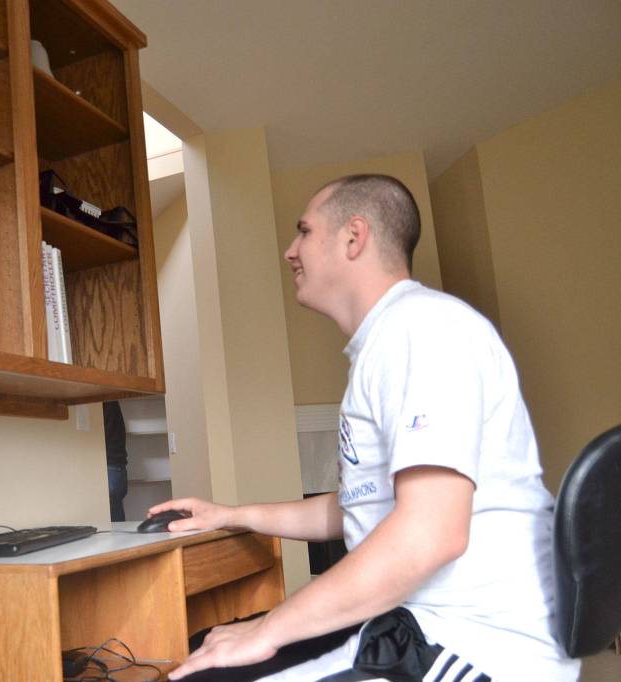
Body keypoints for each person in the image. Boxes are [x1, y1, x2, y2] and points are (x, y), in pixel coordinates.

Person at [151, 175, 579, 681]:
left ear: (354, 237)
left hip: (478, 645)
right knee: (207, 650)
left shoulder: (423, 330)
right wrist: (230, 514)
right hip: (414, 622)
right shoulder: (389, 341)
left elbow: (429, 535)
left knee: (214, 669)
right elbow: (355, 506)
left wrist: (268, 629)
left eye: (304, 232)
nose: (290, 250)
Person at [104, 400, 129, 522]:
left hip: (110, 468)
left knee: (112, 525)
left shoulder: (101, 403)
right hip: (118, 467)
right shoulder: (112, 402)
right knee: (117, 522)